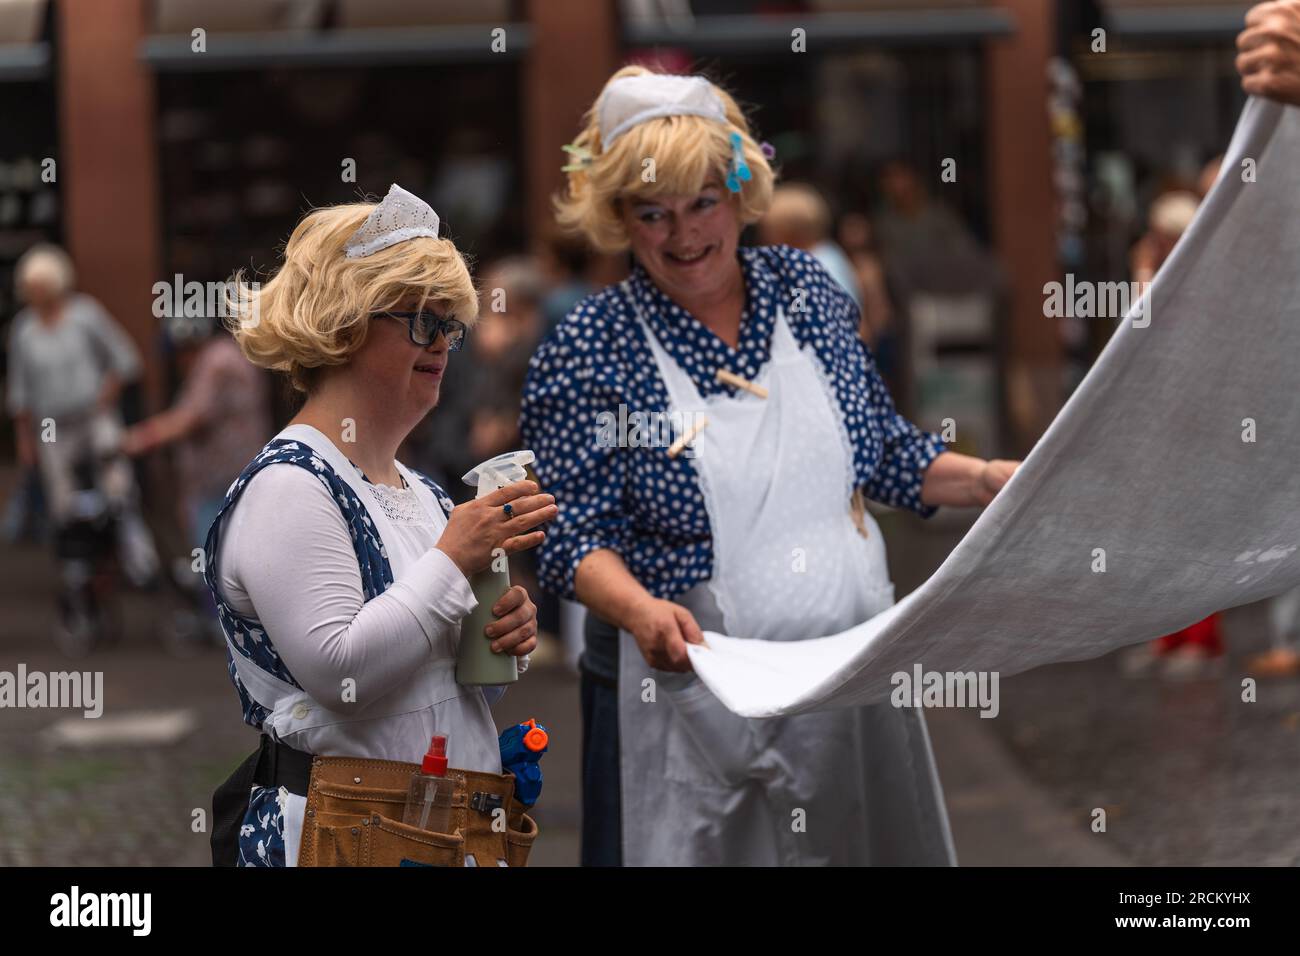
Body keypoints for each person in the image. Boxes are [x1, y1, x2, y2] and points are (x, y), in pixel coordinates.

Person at [520, 67, 1020, 866]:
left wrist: (990, 479)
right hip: (692, 706)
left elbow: (886, 451)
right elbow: (572, 536)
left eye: (702, 204)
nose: (683, 237)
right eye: (653, 214)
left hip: (851, 683)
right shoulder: (589, 347)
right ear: (619, 218)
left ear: (741, 192)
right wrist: (640, 610)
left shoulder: (808, 293)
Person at [204, 185, 556, 866]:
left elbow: (451, 687)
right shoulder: (290, 485)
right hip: (345, 838)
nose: (444, 344)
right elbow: (341, 675)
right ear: (342, 323)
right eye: (421, 321)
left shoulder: (421, 491)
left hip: (436, 833)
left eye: (450, 324)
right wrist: (454, 563)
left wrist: (503, 643)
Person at [5, 243, 160, 587]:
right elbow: (21, 392)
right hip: (52, 426)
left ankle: (140, 562)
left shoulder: (84, 315)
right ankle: (78, 571)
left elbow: (125, 360)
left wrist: (105, 395)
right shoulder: (24, 329)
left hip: (93, 417)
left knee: (118, 488)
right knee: (62, 498)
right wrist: (25, 442)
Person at [758, 182, 864, 311]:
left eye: (770, 230)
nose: (766, 239)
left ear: (790, 231)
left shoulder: (810, 266)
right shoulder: (828, 252)